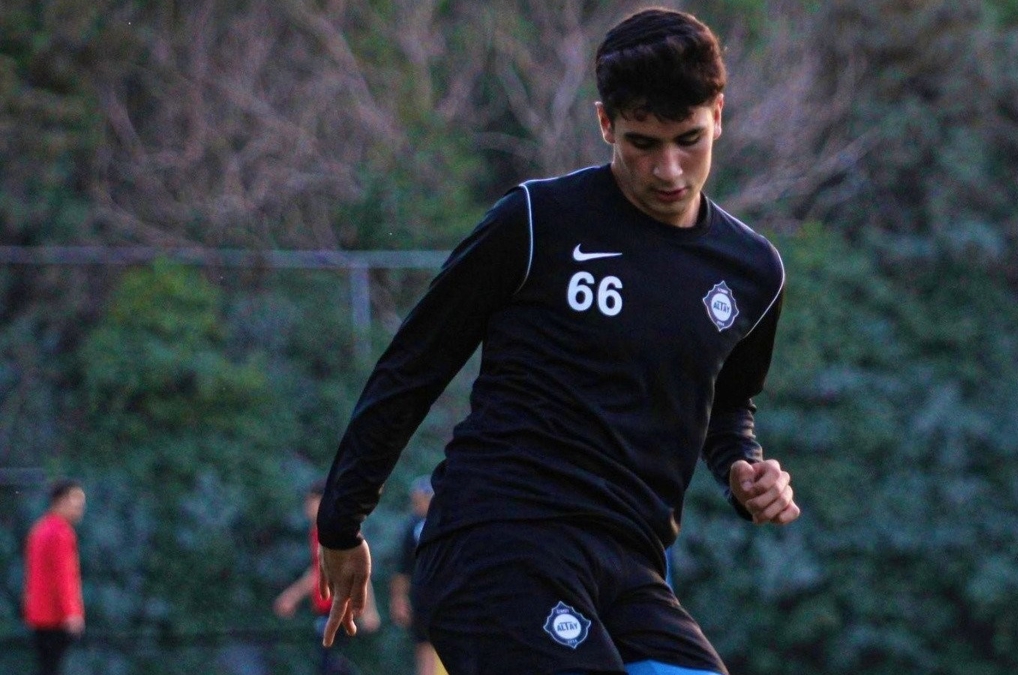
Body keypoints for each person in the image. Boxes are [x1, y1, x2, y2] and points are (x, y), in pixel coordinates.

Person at [317, 7, 800, 674]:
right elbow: (412, 366)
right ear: (605, 123)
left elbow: (726, 407)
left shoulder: (752, 272)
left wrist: (744, 468)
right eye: (642, 143)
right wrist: (341, 522)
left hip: (629, 565)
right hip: (497, 543)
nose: (668, 169)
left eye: (688, 139)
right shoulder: (538, 222)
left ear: (718, 113)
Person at [274, 479, 380, 674]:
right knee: (331, 664)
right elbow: (318, 570)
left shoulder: (334, 530)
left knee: (330, 665)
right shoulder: (319, 531)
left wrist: (369, 608)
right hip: (329, 609)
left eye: (311, 501)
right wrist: (292, 596)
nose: (307, 507)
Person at [23, 478, 86, 675]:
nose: (80, 508)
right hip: (56, 617)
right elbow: (64, 576)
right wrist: (72, 613)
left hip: (38, 614)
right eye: (76, 502)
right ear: (61, 501)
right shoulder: (61, 533)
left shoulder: (40, 528)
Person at [389, 475, 443, 675]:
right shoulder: (415, 525)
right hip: (425, 597)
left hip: (450, 595)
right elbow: (403, 567)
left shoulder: (449, 521)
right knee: (425, 645)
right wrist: (399, 599)